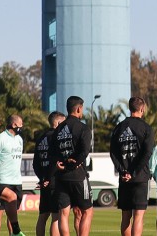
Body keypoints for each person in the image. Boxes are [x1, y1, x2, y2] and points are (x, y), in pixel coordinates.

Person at [110, 97, 155, 236]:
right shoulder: (146, 128)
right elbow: (147, 153)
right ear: (142, 109)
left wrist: (123, 171)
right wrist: (134, 172)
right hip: (140, 178)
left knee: (125, 217)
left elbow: (113, 153)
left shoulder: (119, 127)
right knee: (138, 217)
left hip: (124, 179)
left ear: (130, 109)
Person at [54, 97, 93, 236]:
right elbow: (84, 151)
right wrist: (74, 164)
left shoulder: (58, 129)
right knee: (87, 211)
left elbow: (53, 152)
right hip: (77, 176)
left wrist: (58, 164)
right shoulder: (83, 128)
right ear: (78, 109)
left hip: (61, 177)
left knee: (63, 213)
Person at [33, 112, 64, 236]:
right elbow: (55, 161)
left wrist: (42, 179)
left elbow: (35, 163)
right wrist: (49, 178)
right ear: (58, 123)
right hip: (54, 181)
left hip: (44, 182)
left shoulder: (41, 138)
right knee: (56, 217)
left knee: (43, 216)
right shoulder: (56, 137)